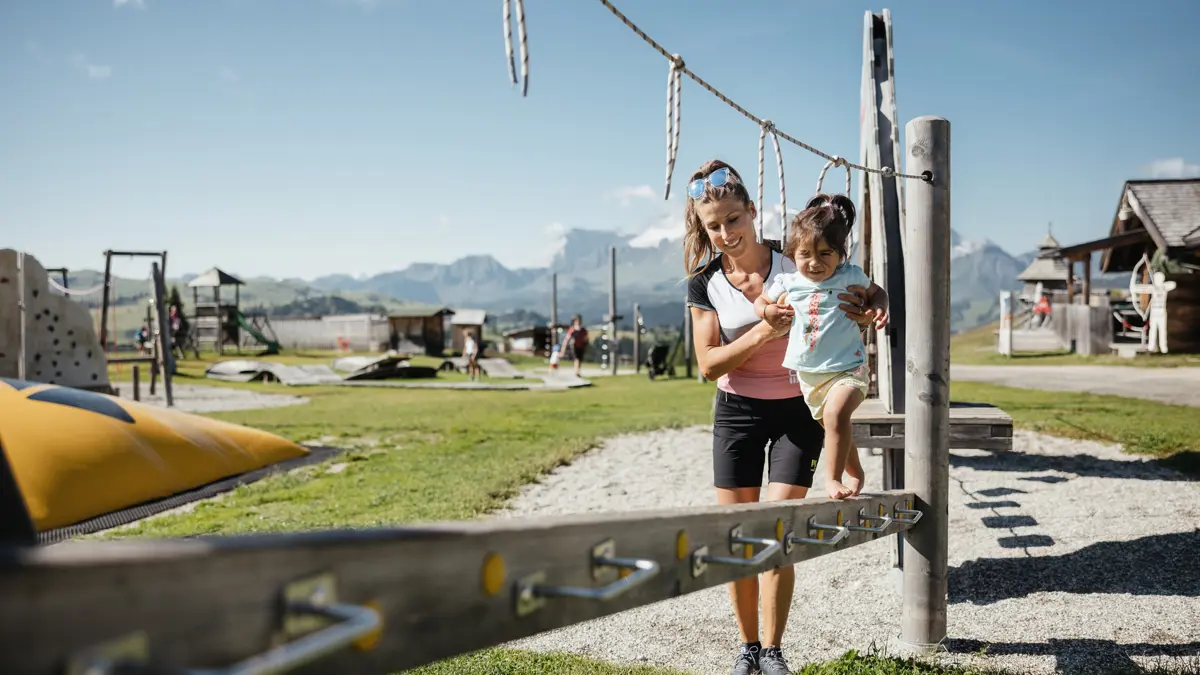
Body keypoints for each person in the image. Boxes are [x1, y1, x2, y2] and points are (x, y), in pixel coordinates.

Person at [684, 160, 883, 675]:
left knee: (777, 533)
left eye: (734, 219)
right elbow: (709, 365)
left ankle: (773, 652)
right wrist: (762, 331)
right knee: (737, 536)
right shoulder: (704, 283)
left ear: (752, 211)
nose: (726, 233)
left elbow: (852, 295)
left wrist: (866, 310)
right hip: (737, 412)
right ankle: (747, 648)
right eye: (714, 226)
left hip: (799, 408)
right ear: (703, 228)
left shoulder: (797, 257)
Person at [754, 194, 889, 500]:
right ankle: (856, 472)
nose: (815, 263)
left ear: (840, 254)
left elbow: (877, 292)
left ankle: (832, 479)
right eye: (805, 254)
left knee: (836, 415)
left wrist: (879, 307)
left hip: (848, 369)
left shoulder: (850, 276)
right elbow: (760, 301)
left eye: (825, 253)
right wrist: (767, 311)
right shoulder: (788, 282)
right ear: (793, 254)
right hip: (810, 376)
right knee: (833, 424)